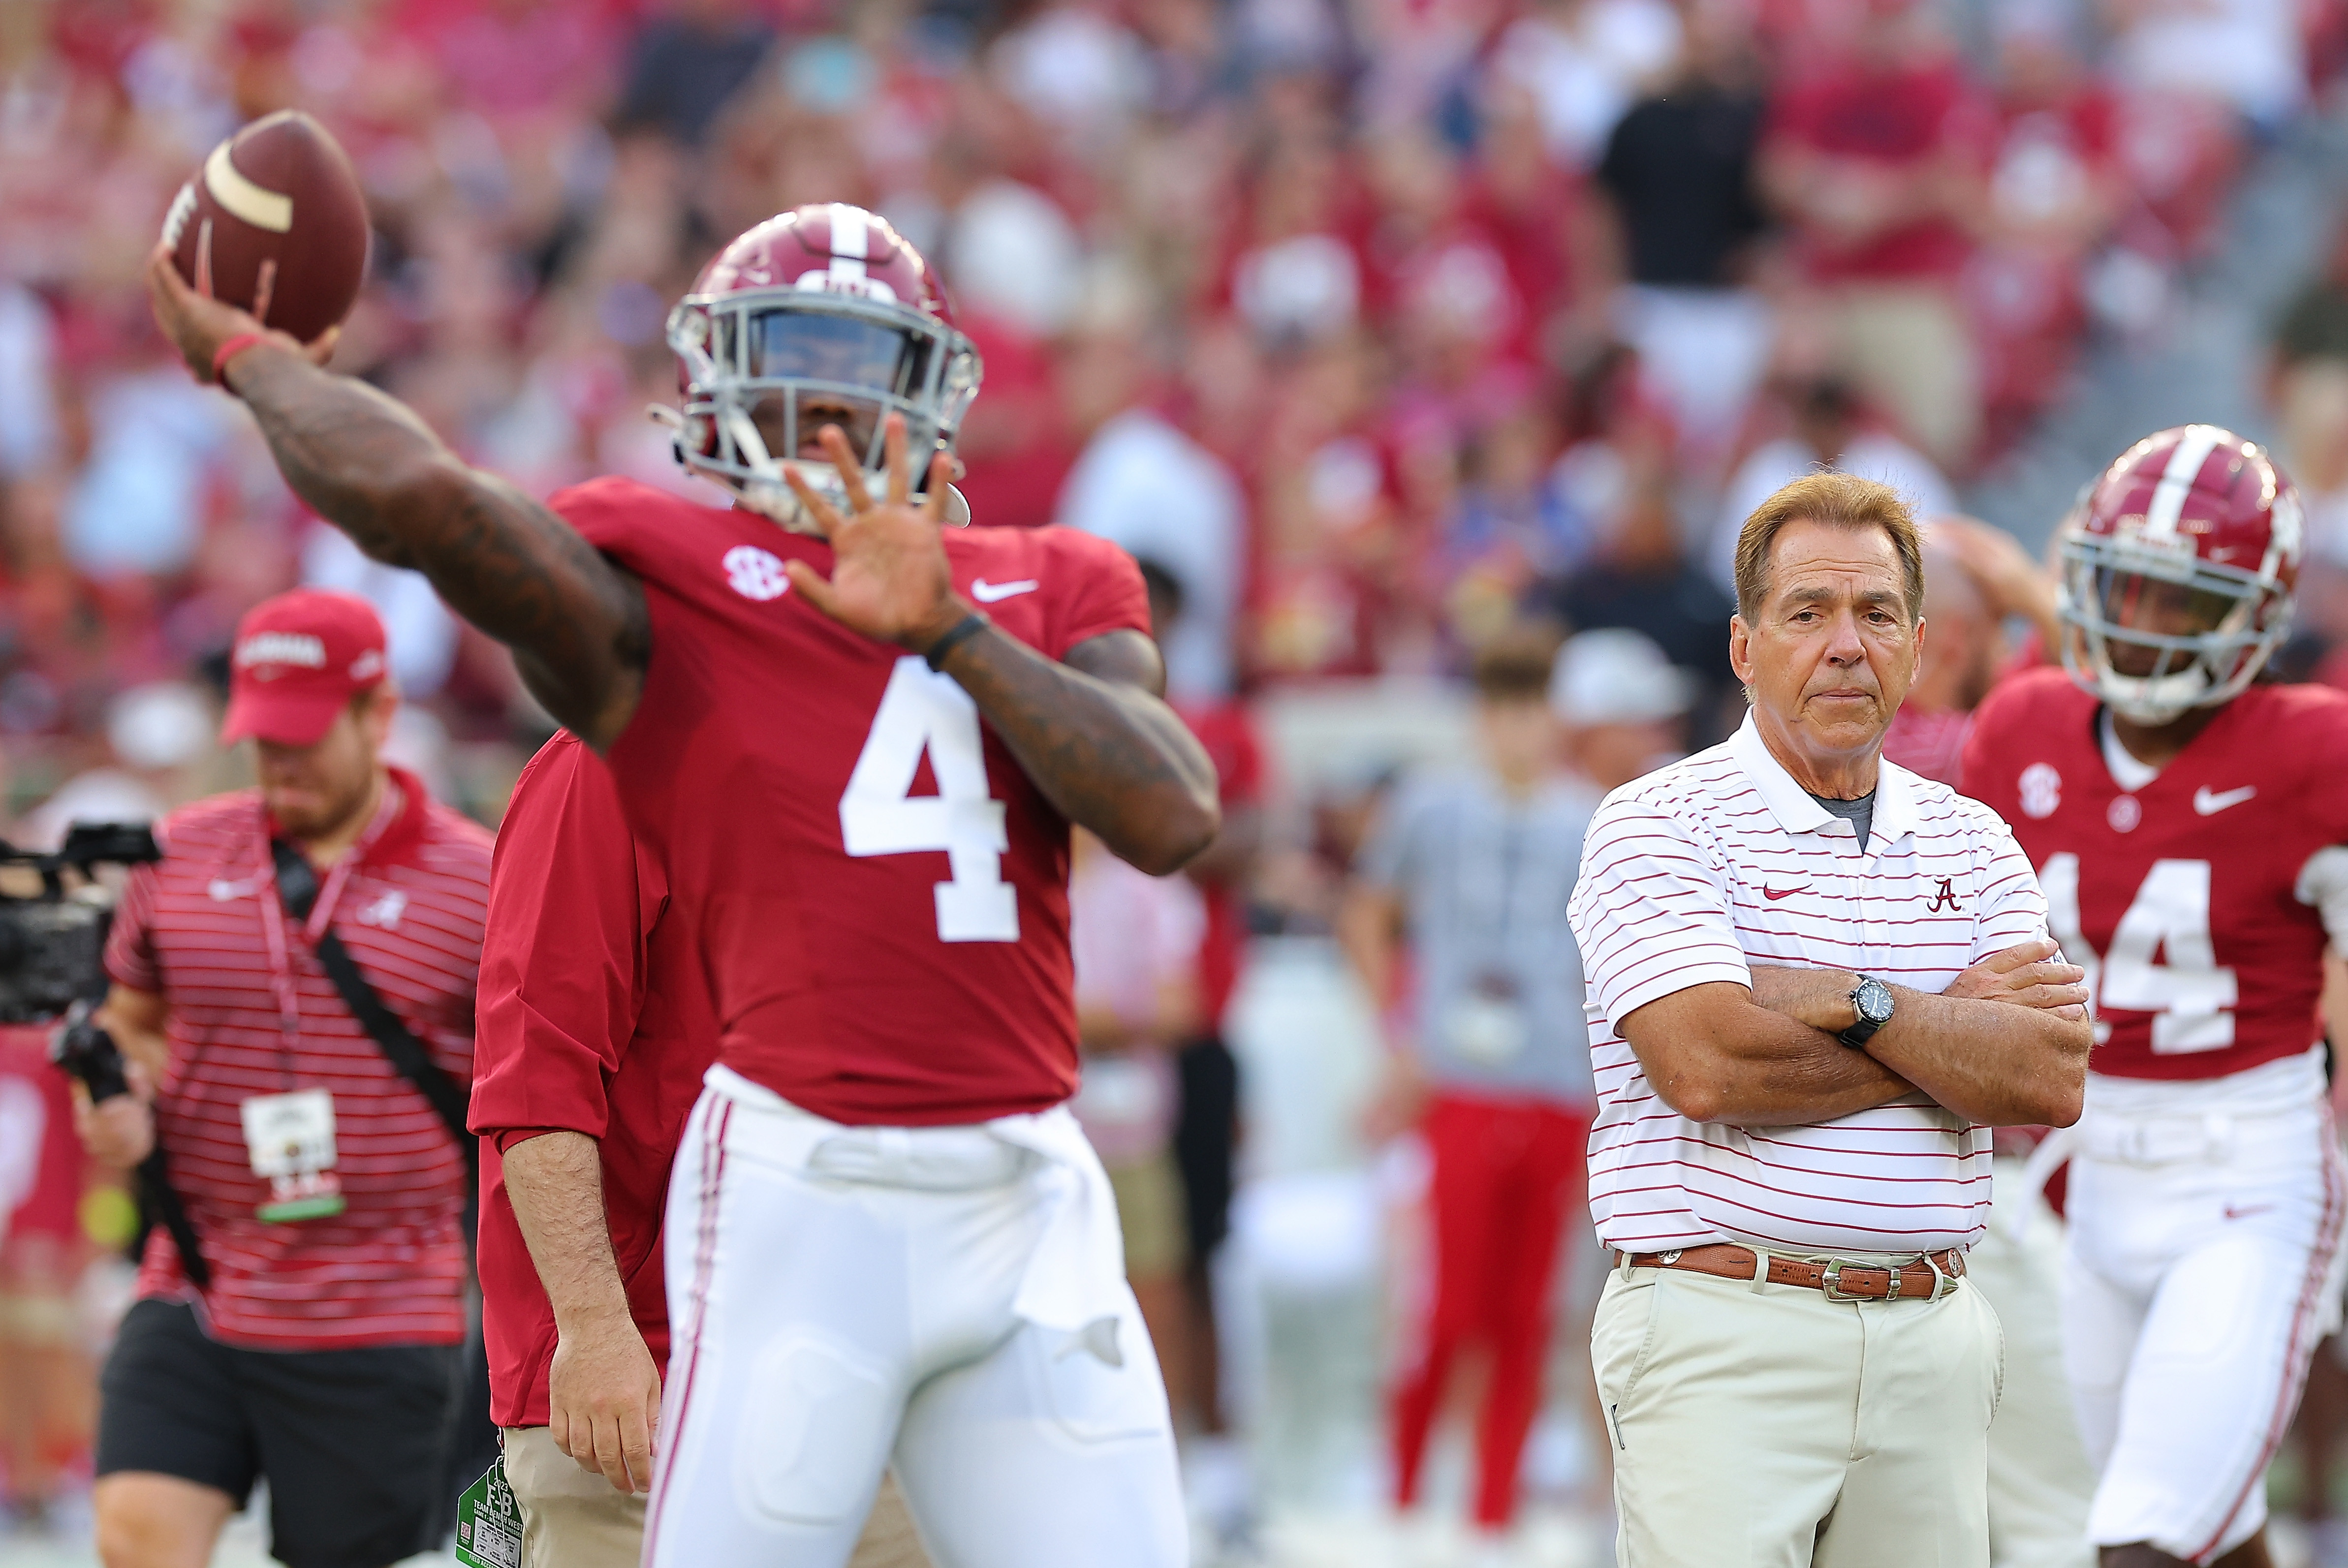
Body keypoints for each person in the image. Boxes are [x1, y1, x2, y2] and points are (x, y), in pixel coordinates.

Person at [146, 201, 1220, 1568]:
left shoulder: (1050, 584)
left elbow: (1170, 809)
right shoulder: (670, 618)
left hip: (1020, 1190)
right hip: (789, 1205)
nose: (822, 400)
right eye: (789, 352)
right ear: (716, 379)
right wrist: (258, 360)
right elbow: (425, 503)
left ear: (933, 389)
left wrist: (944, 627)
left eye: (858, 359)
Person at [1565, 470, 2092, 1565]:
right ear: (1744, 648)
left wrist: (1853, 1002)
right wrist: (1951, 1035)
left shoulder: (1976, 836)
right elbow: (1706, 1065)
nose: (1844, 643)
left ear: (1915, 644)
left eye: (1876, 613)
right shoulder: (1656, 822)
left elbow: (2045, 1079)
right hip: (1724, 1324)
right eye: (1807, 612)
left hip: (1931, 1329)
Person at [1961, 426, 2348, 1568]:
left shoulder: (2312, 750)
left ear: (2252, 614)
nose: (2141, 617)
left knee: (2137, 1538)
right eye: (2123, 583)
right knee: (2209, 1530)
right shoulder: (2022, 728)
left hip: (2248, 1173)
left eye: (2181, 599)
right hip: (2087, 1176)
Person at [71, 588, 493, 1568]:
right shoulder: (175, 855)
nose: (280, 764)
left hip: (387, 1300)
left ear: (376, 714)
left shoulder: (480, 879)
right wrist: (120, 1093)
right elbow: (131, 1016)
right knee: (135, 1537)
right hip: (201, 1271)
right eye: (265, 739)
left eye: (304, 738)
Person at [470, 731, 928, 1568]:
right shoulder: (610, 759)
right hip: (653, 1373)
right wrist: (596, 1328)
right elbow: (534, 1083)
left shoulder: (877, 740)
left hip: (861, 1360)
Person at [1339, 622, 1601, 1543]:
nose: (1518, 729)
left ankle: (1494, 1513)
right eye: (1502, 709)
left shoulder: (1588, 816)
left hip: (1557, 1086)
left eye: (1533, 709)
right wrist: (1398, 1029)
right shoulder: (1432, 808)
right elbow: (1366, 910)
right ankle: (1403, 1497)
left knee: (1528, 1312)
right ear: (1480, 716)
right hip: (1458, 1080)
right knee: (1448, 1308)